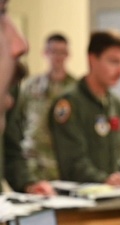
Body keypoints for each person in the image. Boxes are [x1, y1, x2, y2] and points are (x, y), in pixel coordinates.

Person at [49, 30, 120, 186]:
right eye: (114, 62)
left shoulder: (117, 106)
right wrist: (104, 180)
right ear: (92, 59)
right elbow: (72, 162)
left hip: (117, 197)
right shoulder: (69, 103)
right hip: (81, 200)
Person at [0, 0, 54, 195]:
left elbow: (11, 149)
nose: (21, 45)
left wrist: (28, 183)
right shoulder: (32, 86)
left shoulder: (11, 88)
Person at [19, 33, 76, 181]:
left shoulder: (75, 89)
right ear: (45, 53)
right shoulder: (31, 86)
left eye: (62, 52)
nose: (58, 57)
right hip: (33, 161)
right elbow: (19, 120)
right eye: (53, 51)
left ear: (68, 55)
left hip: (61, 161)